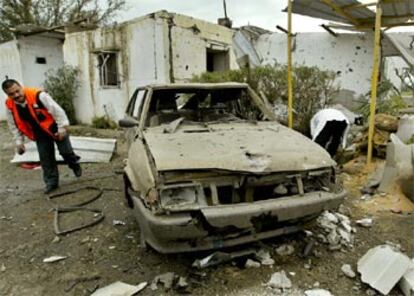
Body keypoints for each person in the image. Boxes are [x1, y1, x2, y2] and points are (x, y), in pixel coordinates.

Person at [3, 79, 81, 193]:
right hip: (39, 132)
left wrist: (62, 127)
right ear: (7, 94)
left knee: (66, 152)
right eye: (11, 94)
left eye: (17, 91)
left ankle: (74, 164)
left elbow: (57, 111)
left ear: (21, 87)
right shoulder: (10, 105)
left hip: (55, 126)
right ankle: (51, 183)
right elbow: (14, 124)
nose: (16, 95)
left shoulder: (38, 95)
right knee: (46, 159)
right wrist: (19, 142)